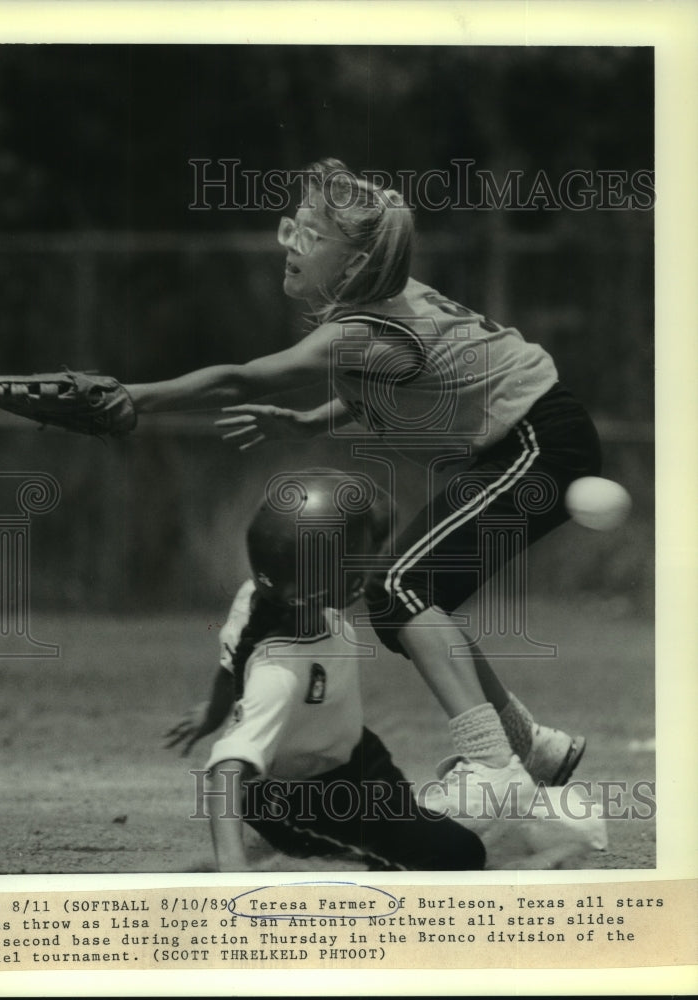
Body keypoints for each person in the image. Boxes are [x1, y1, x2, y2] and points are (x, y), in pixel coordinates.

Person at [128, 158, 602, 819]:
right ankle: (529, 749)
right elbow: (395, 381)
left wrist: (131, 396)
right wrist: (306, 421)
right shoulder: (381, 306)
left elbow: (242, 378)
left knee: (400, 590)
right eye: (297, 223)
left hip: (537, 444)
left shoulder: (360, 328)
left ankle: (493, 768)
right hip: (529, 441)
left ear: (352, 263)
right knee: (405, 600)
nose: (291, 240)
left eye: (313, 233)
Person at [165, 469, 487, 872]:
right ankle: (318, 860)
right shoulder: (279, 673)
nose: (375, 561)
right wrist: (232, 870)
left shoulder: (264, 597)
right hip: (303, 802)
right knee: (459, 855)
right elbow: (225, 774)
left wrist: (212, 711)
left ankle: (389, 839)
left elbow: (232, 662)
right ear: (334, 578)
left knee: (430, 834)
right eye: (361, 556)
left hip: (359, 763)